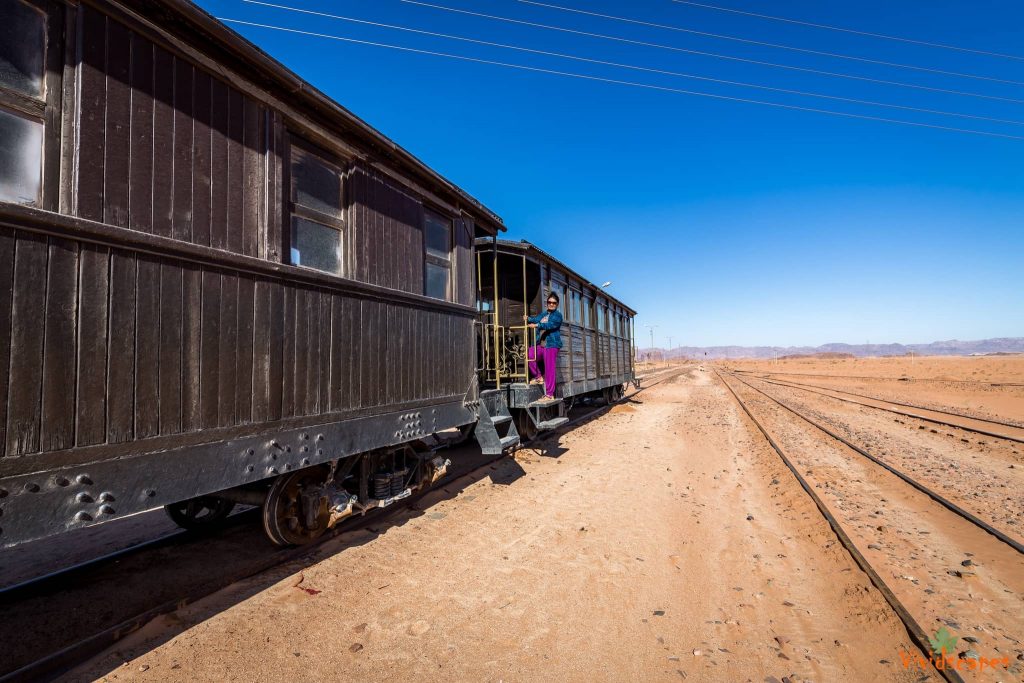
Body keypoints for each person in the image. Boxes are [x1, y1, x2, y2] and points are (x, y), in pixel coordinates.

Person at [527, 292, 563, 399]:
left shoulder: (557, 315)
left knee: (549, 368)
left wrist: (537, 325)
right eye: (549, 302)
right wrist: (528, 318)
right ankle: (538, 376)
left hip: (552, 344)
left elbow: (550, 325)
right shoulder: (544, 314)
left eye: (554, 303)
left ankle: (550, 394)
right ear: (547, 303)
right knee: (530, 354)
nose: (551, 304)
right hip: (542, 345)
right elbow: (536, 319)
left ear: (557, 304)